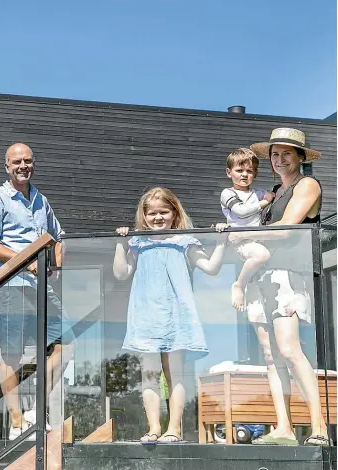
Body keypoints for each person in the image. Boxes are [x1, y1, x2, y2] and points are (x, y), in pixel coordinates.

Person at [228, 128, 328, 446]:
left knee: (289, 349)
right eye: (274, 153)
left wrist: (243, 237)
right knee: (271, 355)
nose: (280, 159)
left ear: (300, 157)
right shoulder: (272, 192)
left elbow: (286, 230)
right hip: (263, 278)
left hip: (289, 273)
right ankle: (283, 427)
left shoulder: (307, 184)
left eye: (287, 153)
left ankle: (320, 429)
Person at [113, 187, 226, 443]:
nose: (158, 217)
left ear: (175, 213)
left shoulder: (184, 240)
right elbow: (121, 272)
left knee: (175, 373)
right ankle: (154, 427)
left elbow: (210, 267)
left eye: (164, 212)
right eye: (152, 213)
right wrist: (120, 244)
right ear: (144, 216)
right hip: (146, 316)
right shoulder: (138, 242)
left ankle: (173, 428)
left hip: (176, 317)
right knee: (150, 375)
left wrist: (221, 241)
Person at [0, 143, 74, 440]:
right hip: (12, 286)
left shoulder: (41, 200)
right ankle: (17, 421)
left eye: (28, 160)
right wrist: (26, 262)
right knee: (12, 354)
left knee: (66, 344)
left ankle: (37, 408)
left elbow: (58, 236)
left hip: (42, 286)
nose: (23, 165)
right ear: (6, 166)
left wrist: (56, 263)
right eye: (17, 161)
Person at [219, 148, 275, 311]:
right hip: (239, 241)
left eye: (249, 171)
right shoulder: (227, 193)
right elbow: (241, 212)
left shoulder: (258, 192)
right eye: (239, 170)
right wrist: (265, 202)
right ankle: (238, 285)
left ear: (255, 174)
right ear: (229, 172)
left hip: (257, 239)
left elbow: (275, 196)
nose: (244, 174)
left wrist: (271, 195)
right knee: (262, 255)